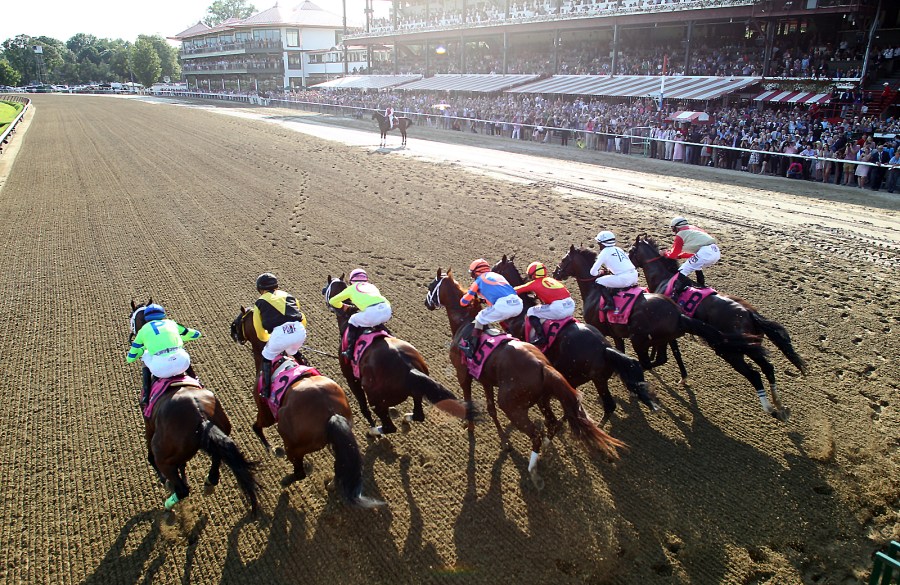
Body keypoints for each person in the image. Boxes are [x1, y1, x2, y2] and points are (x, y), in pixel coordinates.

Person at [126, 303, 201, 409]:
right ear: (163, 314)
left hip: (160, 370)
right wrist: (177, 337)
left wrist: (143, 349)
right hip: (182, 363)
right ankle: (196, 380)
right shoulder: (172, 323)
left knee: (146, 355)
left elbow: (130, 358)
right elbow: (196, 334)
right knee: (179, 349)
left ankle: (146, 396)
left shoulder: (143, 331)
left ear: (146, 318)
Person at [253, 273, 307, 399]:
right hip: (299, 331)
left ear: (260, 289)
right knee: (292, 350)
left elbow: (260, 334)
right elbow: (302, 318)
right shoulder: (289, 295)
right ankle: (304, 364)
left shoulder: (259, 302)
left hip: (279, 335)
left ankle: (266, 390)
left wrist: (269, 340)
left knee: (266, 356)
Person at [459, 259, 524, 359]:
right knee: (503, 316)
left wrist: (463, 300)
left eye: (472, 274)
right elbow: (497, 294)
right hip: (518, 303)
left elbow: (464, 302)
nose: (472, 277)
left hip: (504, 305)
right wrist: (484, 301)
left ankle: (471, 348)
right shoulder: (498, 276)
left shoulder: (479, 280)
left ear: (476, 272)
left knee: (480, 317)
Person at [328, 268, 392, 360]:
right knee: (375, 319)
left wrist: (345, 306)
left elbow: (332, 301)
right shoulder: (372, 286)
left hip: (372, 313)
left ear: (351, 281)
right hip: (387, 310)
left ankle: (349, 351)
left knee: (353, 319)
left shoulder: (350, 289)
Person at [513, 261, 576, 345]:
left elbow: (516, 290)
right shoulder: (551, 280)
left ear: (533, 275)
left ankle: (541, 336)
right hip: (571, 305)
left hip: (558, 309)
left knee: (531, 311)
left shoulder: (535, 283)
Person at [665, 217, 721, 298]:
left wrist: (665, 254)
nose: (674, 232)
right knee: (697, 266)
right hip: (715, 252)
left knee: (682, 270)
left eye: (673, 229)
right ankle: (702, 286)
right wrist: (680, 256)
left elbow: (673, 254)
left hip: (706, 252)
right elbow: (695, 254)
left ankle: (674, 296)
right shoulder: (695, 230)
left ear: (676, 227)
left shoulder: (681, 234)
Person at [590, 231, 639, 315]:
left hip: (624, 279)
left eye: (599, 243)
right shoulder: (619, 249)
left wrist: (600, 272)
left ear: (602, 243)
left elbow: (593, 272)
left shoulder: (604, 252)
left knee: (598, 281)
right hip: (634, 276)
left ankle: (610, 303)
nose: (599, 245)